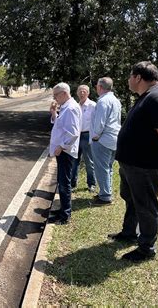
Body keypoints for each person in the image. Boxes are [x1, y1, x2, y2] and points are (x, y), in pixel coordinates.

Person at [110, 61, 158, 262]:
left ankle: (146, 248)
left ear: (138, 77)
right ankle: (129, 232)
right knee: (131, 198)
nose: (128, 80)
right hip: (133, 164)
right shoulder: (148, 97)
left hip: (146, 166)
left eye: (130, 76)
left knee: (146, 206)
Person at [49, 82, 81, 225]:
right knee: (62, 182)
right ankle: (63, 209)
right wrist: (53, 113)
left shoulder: (71, 108)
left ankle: (65, 214)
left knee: (64, 183)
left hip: (66, 152)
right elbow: (60, 126)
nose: (55, 98)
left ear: (63, 93)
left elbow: (73, 133)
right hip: (63, 151)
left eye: (56, 95)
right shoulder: (66, 107)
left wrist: (61, 146)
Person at [89, 77, 121, 205]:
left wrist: (95, 136)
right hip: (113, 138)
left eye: (97, 86)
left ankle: (105, 196)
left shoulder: (103, 101)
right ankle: (106, 192)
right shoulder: (115, 100)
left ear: (100, 87)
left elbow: (99, 123)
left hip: (103, 139)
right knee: (108, 168)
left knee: (101, 168)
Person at [71, 85, 96, 191]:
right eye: (80, 91)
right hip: (76, 136)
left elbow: (96, 122)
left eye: (84, 91)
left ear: (88, 93)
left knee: (89, 161)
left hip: (87, 135)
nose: (82, 93)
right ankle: (72, 183)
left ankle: (91, 183)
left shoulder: (93, 105)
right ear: (77, 93)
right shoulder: (75, 106)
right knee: (74, 161)